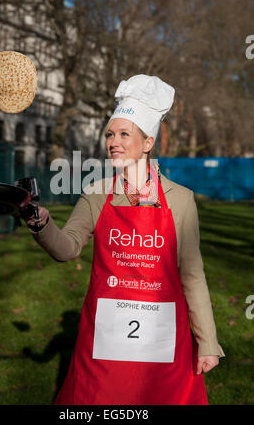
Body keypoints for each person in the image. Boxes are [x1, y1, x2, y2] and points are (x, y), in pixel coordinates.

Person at [23, 75, 224, 405]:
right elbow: (68, 247)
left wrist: (207, 342)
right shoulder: (97, 193)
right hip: (105, 339)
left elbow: (192, 275)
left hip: (165, 337)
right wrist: (41, 223)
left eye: (123, 134)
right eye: (110, 135)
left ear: (147, 143)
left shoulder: (180, 199)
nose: (113, 142)